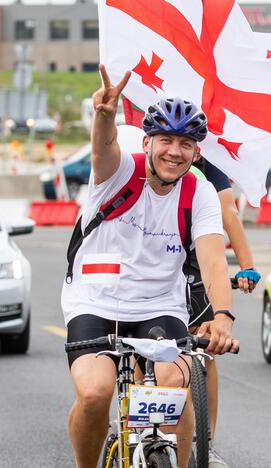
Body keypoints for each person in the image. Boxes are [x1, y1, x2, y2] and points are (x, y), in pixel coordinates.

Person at [62, 65, 237, 468]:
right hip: (94, 300)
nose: (175, 151)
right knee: (94, 394)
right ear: (147, 142)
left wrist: (223, 316)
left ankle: (174, 459)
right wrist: (104, 114)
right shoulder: (118, 172)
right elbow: (102, 148)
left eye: (186, 143)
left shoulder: (200, 191)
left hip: (159, 304)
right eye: (166, 140)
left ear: (197, 151)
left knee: (174, 382)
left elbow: (212, 258)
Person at [186, 157, 259, 468]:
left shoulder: (208, 163)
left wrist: (247, 266)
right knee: (143, 349)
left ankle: (206, 443)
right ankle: (136, 428)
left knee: (205, 349)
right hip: (151, 260)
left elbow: (228, 211)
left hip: (195, 261)